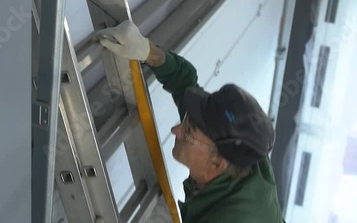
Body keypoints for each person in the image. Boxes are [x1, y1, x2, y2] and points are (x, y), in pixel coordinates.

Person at [98, 20, 285, 223]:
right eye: (186, 122)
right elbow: (185, 83)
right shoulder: (240, 147)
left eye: (188, 132)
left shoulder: (225, 217)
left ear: (216, 163)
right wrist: (145, 50)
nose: (175, 130)